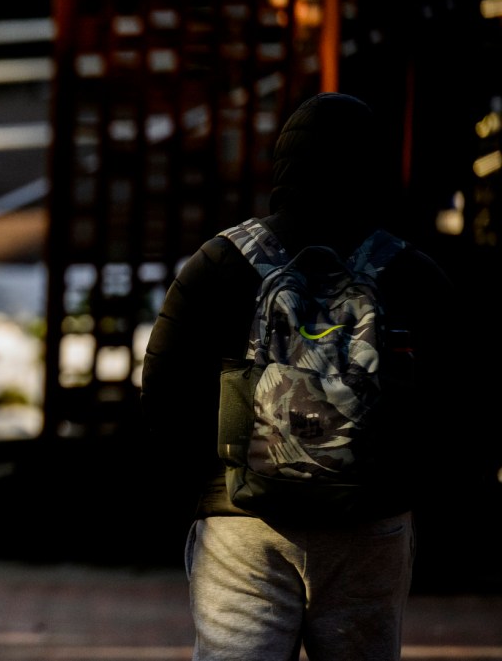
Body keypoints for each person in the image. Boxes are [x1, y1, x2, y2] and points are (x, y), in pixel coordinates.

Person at [140, 92, 464, 661]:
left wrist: (207, 492)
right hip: (371, 522)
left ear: (283, 163)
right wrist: (410, 494)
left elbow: (164, 392)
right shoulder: (412, 272)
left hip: (242, 525)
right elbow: (467, 401)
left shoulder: (222, 262)